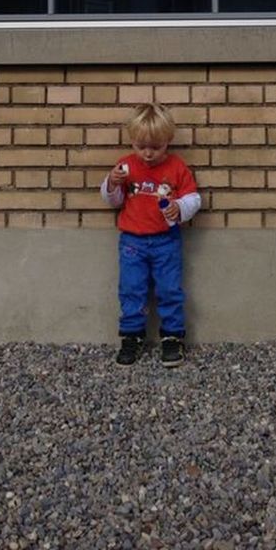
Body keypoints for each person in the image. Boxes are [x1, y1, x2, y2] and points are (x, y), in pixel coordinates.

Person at [100, 103, 201, 367]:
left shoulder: (177, 167)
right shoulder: (125, 166)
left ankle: (172, 336)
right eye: (140, 146)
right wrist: (111, 184)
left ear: (168, 140)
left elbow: (193, 198)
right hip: (132, 241)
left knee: (169, 289)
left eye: (155, 147)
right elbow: (113, 200)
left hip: (166, 240)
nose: (147, 153)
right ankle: (131, 335)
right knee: (132, 288)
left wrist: (180, 208)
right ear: (132, 141)